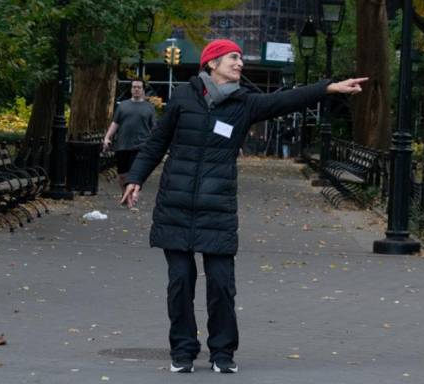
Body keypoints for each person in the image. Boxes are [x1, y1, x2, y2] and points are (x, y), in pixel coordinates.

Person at [121, 39, 367, 374]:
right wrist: (136, 177)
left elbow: (284, 100)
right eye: (232, 58)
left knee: (221, 284)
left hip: (217, 208)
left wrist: (328, 88)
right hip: (175, 206)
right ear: (211, 63)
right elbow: (158, 141)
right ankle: (182, 351)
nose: (239, 64)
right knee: (180, 282)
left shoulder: (244, 103)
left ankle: (222, 352)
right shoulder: (183, 97)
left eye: (239, 58)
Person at [103, 80, 157, 192]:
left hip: (140, 145)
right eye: (134, 87)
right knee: (122, 174)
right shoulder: (123, 106)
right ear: (131, 89)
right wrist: (107, 137)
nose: (136, 89)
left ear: (143, 90)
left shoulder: (149, 108)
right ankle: (125, 194)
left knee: (134, 174)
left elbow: (154, 128)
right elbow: (115, 123)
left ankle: (132, 197)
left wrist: (154, 143)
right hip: (123, 145)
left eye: (139, 87)